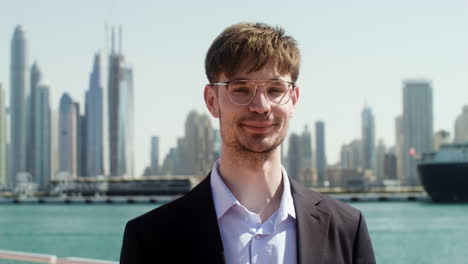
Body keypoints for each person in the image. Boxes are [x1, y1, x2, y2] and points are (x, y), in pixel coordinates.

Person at [120, 22, 376, 264]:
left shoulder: (346, 229)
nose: (261, 106)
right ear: (212, 101)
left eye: (275, 90)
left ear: (294, 99)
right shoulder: (150, 238)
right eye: (241, 89)